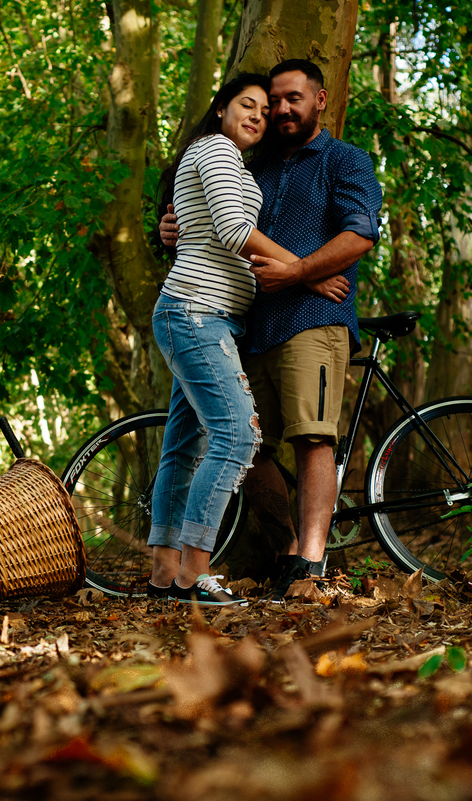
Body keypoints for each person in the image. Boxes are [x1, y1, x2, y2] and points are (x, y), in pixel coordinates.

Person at [159, 59, 383, 603]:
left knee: (312, 436)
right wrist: (169, 228)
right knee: (242, 439)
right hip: (243, 327)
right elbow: (216, 223)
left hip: (312, 321)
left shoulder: (343, 160)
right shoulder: (243, 160)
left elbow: (361, 235)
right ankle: (283, 549)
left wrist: (304, 274)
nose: (279, 110)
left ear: (320, 101)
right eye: (267, 102)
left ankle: (309, 561)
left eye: (290, 99)